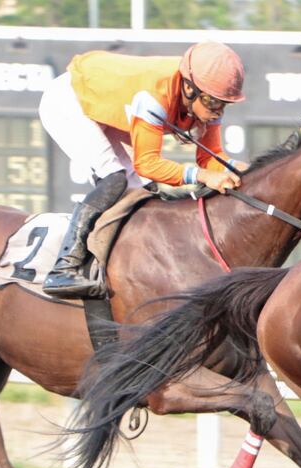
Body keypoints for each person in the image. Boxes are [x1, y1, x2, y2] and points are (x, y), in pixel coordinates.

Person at [37, 42, 249, 298]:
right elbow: (147, 164)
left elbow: (210, 159)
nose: (217, 111)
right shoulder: (155, 96)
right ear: (189, 88)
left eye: (224, 104)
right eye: (212, 102)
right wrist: (202, 176)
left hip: (106, 105)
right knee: (115, 180)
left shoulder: (206, 96)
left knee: (139, 194)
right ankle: (64, 267)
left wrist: (241, 170)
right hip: (69, 101)